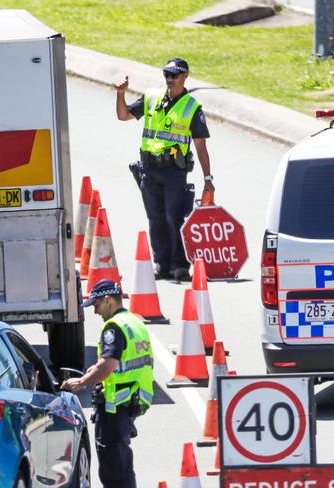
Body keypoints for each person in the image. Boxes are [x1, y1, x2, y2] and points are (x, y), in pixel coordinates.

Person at [116, 57, 215, 281]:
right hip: (149, 168)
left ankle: (180, 265)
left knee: (175, 217)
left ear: (185, 76)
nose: (170, 79)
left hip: (174, 171)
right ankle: (162, 264)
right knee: (155, 218)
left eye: (175, 75)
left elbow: (200, 145)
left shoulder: (192, 107)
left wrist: (208, 179)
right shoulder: (152, 98)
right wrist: (121, 94)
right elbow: (123, 116)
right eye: (167, 75)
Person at [61, 279, 154, 488]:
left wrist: (82, 382)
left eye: (96, 305)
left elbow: (108, 365)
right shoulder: (134, 322)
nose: (95, 311)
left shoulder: (114, 328)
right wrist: (94, 370)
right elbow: (121, 362)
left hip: (115, 405)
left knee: (113, 467)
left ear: (108, 300)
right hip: (131, 401)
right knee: (121, 463)